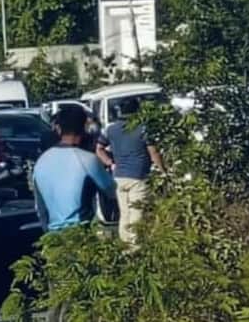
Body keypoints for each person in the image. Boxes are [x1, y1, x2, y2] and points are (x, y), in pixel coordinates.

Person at [32, 107, 116, 232]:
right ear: (84, 129)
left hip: (52, 237)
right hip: (81, 234)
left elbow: (40, 208)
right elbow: (111, 191)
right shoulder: (88, 160)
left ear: (59, 129)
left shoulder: (40, 162)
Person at [97, 98, 164, 246]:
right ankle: (136, 248)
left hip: (119, 176)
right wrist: (163, 171)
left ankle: (126, 246)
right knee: (137, 215)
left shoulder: (111, 129)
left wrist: (110, 163)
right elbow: (153, 153)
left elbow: (99, 149)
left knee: (125, 213)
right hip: (138, 176)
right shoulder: (143, 129)